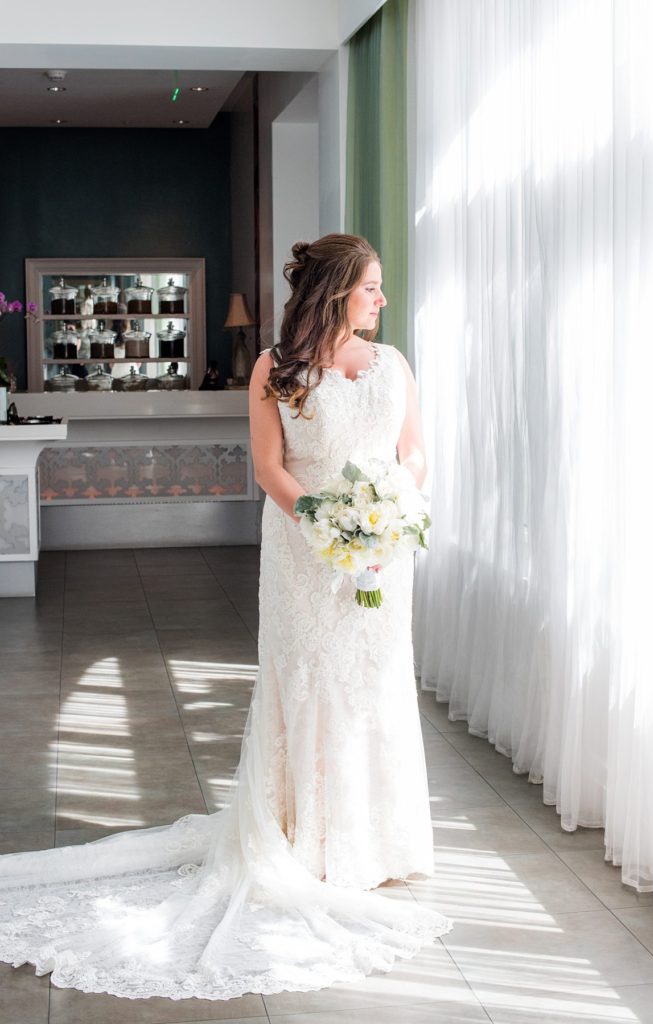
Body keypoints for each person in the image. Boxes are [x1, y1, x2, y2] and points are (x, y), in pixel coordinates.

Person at [0, 234, 449, 1001]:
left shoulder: (394, 364)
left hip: (381, 555)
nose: (381, 300)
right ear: (337, 290)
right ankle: (305, 839)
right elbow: (269, 466)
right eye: (370, 287)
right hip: (307, 551)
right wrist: (328, 519)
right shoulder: (277, 369)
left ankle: (378, 840)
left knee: (373, 684)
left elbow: (414, 453)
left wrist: (386, 507)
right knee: (307, 681)